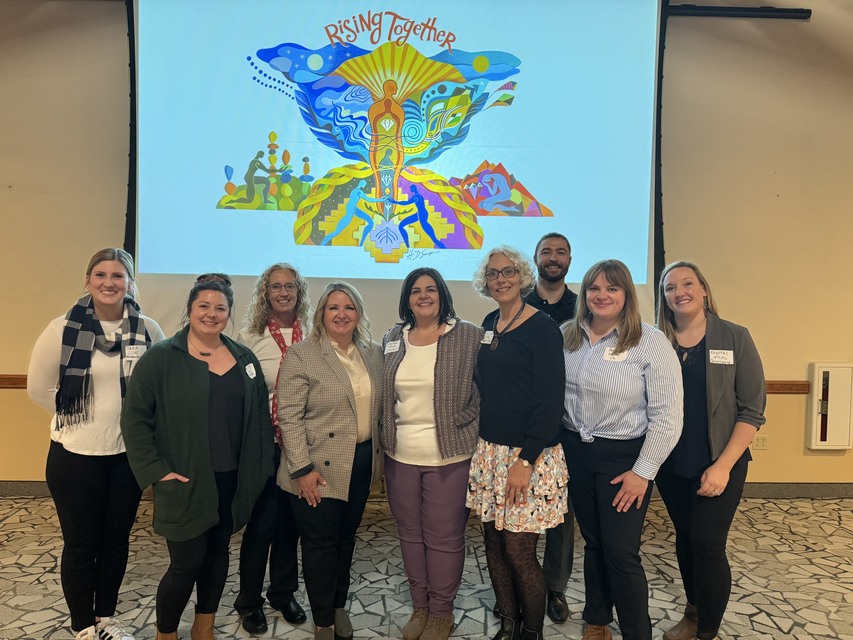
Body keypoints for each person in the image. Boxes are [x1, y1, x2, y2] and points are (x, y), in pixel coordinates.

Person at [121, 274, 274, 640]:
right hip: (184, 479)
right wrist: (157, 472)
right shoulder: (162, 358)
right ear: (189, 310)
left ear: (229, 313)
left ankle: (203, 627)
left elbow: (259, 420)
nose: (211, 313)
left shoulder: (244, 358)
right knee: (186, 563)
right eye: (203, 306)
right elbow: (135, 419)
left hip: (231, 480)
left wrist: (258, 472)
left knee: (218, 554)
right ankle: (166, 633)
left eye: (220, 308)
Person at [27, 248, 165, 640]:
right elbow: (38, 388)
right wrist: (78, 418)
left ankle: (105, 617)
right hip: (74, 457)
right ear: (88, 280)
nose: (109, 282)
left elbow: (160, 386)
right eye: (101, 274)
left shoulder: (148, 329)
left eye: (118, 275)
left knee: (116, 541)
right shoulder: (61, 328)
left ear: (130, 283)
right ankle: (82, 625)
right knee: (81, 545)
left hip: (126, 457)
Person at [560, 259, 683, 640]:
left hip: (624, 460)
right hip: (577, 454)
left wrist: (643, 472)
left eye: (612, 288)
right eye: (594, 288)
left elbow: (668, 416)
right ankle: (597, 619)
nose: (602, 295)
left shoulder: (650, 341)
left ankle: (636, 632)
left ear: (626, 294)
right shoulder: (567, 336)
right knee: (594, 543)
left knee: (621, 552)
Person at [656, 261, 766, 640]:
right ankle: (694, 611)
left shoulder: (734, 337)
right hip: (671, 464)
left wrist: (722, 466)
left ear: (703, 289)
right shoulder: (656, 341)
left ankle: (706, 631)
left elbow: (752, 410)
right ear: (664, 297)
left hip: (721, 461)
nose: (680, 292)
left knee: (707, 544)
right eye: (671, 287)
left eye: (688, 284)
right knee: (686, 538)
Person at [467, 246, 568, 640]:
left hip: (529, 456)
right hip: (491, 453)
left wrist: (525, 461)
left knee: (519, 551)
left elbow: (550, 401)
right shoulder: (490, 322)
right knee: (493, 545)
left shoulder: (542, 328)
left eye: (508, 271)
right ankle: (508, 624)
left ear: (523, 276)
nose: (501, 279)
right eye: (493, 273)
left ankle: (531, 632)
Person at [276, 282, 383, 640]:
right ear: (321, 313)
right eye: (333, 307)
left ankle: (338, 605)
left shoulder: (372, 353)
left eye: (349, 307)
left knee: (345, 540)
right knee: (320, 546)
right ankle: (323, 620)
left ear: (359, 313)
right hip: (315, 469)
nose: (341, 314)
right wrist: (302, 469)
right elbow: (288, 416)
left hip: (360, 463)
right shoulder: (302, 354)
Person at [381, 268, 483, 640]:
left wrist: (471, 420)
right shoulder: (393, 337)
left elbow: (490, 387)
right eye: (415, 291)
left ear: (442, 294)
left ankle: (441, 613)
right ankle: (420, 606)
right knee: (410, 535)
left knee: (444, 538)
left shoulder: (469, 335)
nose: (423, 296)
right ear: (407, 299)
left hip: (450, 456)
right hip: (400, 456)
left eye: (430, 289)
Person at [233, 264, 310, 634]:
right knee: (261, 526)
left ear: (299, 291)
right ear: (265, 292)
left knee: (290, 525)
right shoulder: (250, 337)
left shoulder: (312, 332)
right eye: (275, 286)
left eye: (289, 286)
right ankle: (248, 601)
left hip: (302, 445)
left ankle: (282, 592)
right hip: (265, 445)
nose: (283, 292)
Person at [523, 232, 578, 624]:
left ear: (569, 260)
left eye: (561, 252)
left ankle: (555, 587)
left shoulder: (584, 306)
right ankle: (521, 581)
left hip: (568, 424)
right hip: (524, 424)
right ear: (536, 258)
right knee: (520, 510)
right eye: (547, 252)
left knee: (561, 513)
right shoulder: (518, 304)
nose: (553, 258)